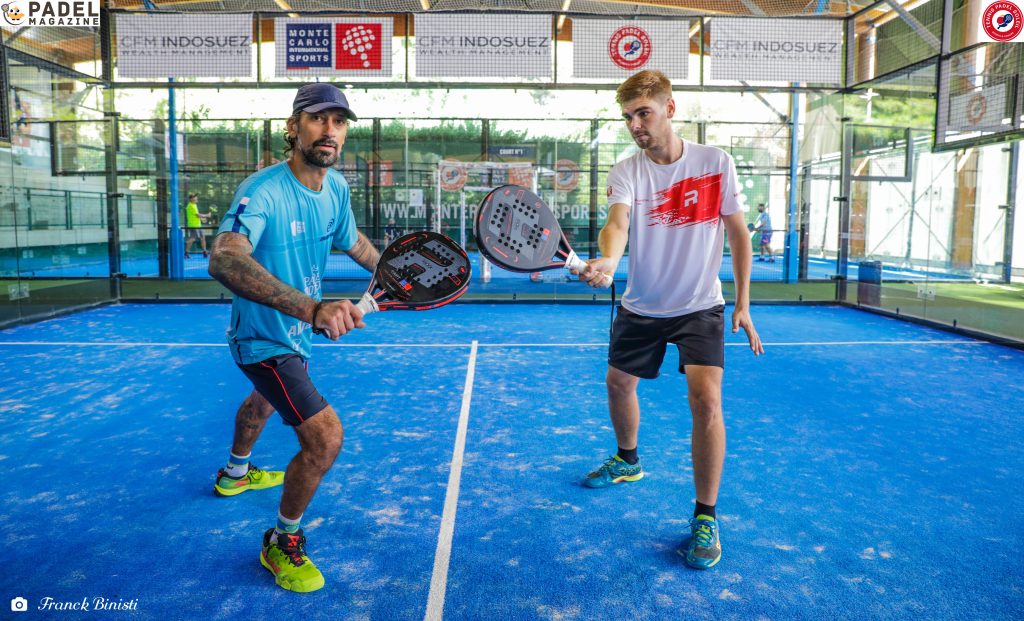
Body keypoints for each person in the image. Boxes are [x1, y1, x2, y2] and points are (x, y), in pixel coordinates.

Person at [576, 70, 764, 570]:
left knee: (706, 400)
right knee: (618, 384)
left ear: (669, 108)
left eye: (644, 113)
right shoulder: (627, 171)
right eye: (628, 117)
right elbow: (617, 223)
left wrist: (742, 302)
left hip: (701, 303)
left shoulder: (714, 162)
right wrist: (611, 262)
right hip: (642, 304)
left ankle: (705, 515)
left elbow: (739, 234)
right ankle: (628, 461)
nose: (636, 125)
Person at [207, 83, 381, 593]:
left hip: (295, 336)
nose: (330, 130)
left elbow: (356, 243)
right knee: (324, 438)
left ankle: (235, 473)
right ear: (293, 126)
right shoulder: (262, 190)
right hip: (264, 339)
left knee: (262, 404)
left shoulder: (336, 190)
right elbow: (225, 257)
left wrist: (404, 271)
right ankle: (281, 541)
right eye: (318, 118)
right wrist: (313, 308)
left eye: (340, 122)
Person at [184, 193, 209, 258]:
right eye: (195, 197)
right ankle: (185, 245)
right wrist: (207, 215)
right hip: (193, 225)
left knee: (202, 237)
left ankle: (204, 251)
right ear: (191, 199)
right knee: (192, 239)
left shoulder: (194, 205)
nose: (196, 198)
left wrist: (202, 219)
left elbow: (196, 215)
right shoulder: (190, 206)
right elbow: (197, 215)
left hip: (198, 225)